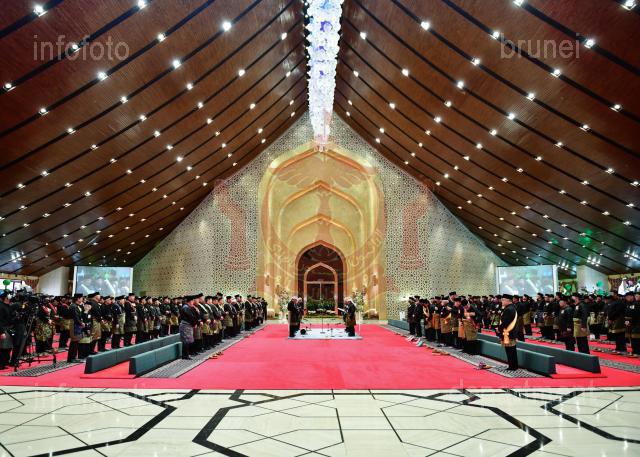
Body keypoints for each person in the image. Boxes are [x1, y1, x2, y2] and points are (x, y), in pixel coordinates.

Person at [497, 294, 519, 370]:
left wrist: (499, 328)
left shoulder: (508, 309)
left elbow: (505, 322)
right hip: (511, 332)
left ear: (508, 300)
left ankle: (512, 366)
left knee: (510, 350)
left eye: (503, 300)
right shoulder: (512, 307)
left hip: (508, 332)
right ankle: (514, 366)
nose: (502, 301)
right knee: (512, 350)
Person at [0, 292, 14, 369]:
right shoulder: (1, 306)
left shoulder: (8, 306)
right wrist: (1, 332)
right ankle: (1, 364)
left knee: (8, 347)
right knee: (3, 347)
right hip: (3, 328)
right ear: (5, 297)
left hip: (9, 328)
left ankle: (5, 361)